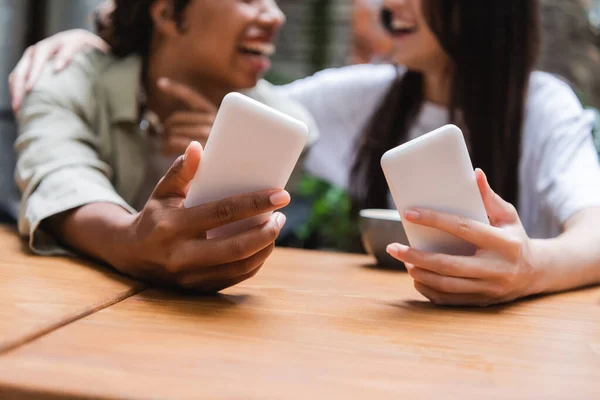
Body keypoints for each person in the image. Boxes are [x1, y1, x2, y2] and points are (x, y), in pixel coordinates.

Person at [11, 0, 600, 306]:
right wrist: (100, 40)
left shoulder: (542, 105)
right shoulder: (367, 95)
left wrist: (530, 268)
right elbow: (262, 109)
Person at [8, 0, 319, 293]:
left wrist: (228, 165)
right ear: (168, 14)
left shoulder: (283, 128)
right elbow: (60, 177)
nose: (276, 15)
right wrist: (129, 240)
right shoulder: (64, 77)